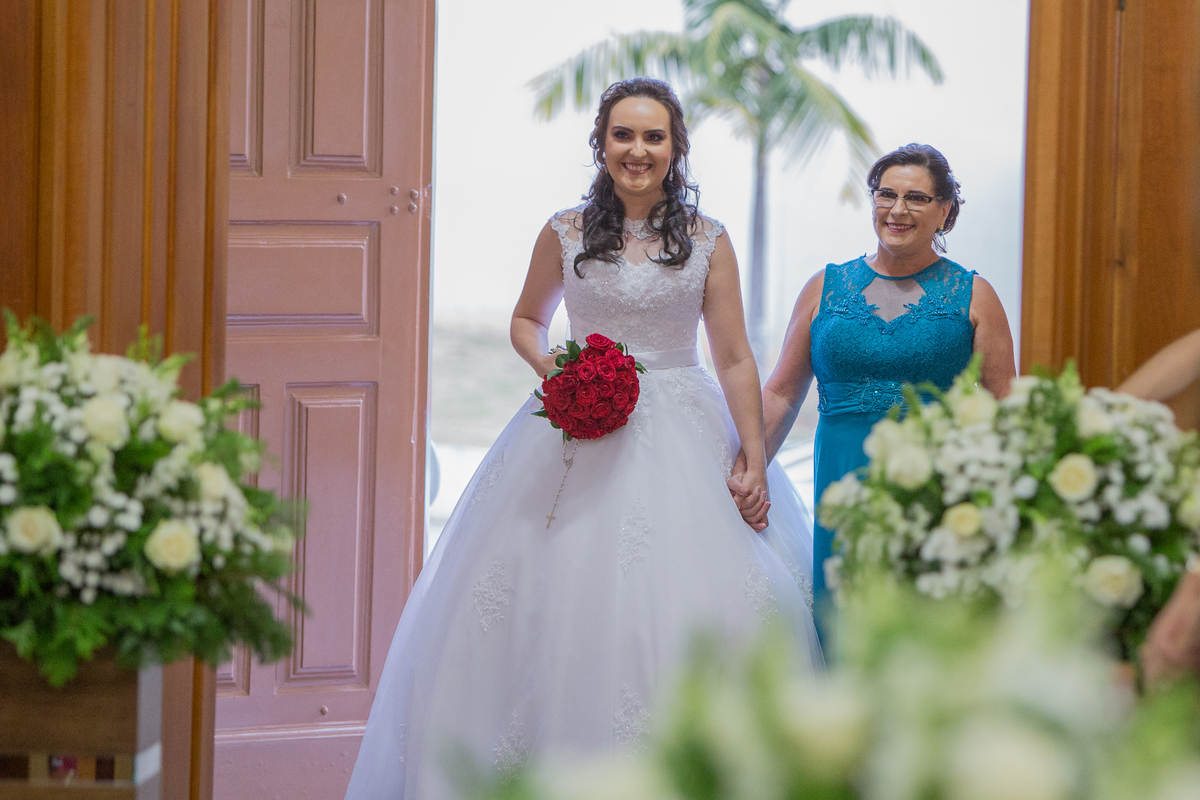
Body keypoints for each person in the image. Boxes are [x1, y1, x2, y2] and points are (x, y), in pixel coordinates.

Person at [344, 79, 821, 800]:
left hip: (682, 422)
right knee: (539, 588)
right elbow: (525, 320)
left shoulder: (707, 240)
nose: (637, 150)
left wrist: (754, 456)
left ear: (675, 147)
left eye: (653, 136)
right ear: (600, 144)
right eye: (623, 135)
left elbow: (732, 357)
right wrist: (559, 369)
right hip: (574, 424)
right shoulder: (564, 231)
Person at [731, 143, 1017, 637]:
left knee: (923, 633)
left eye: (917, 198)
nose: (898, 210)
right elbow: (781, 393)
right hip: (842, 483)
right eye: (886, 195)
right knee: (843, 622)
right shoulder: (825, 286)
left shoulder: (976, 295)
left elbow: (1006, 408)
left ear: (946, 212)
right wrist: (747, 472)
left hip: (936, 491)